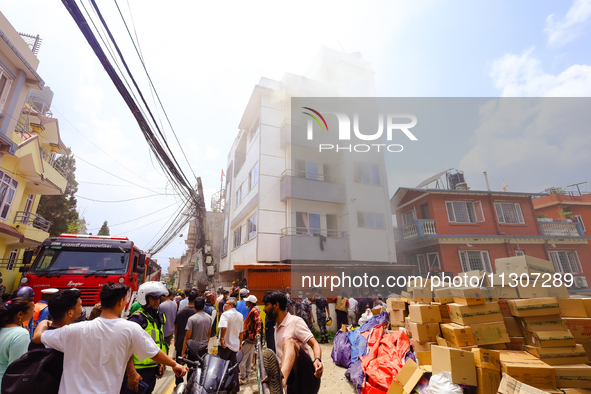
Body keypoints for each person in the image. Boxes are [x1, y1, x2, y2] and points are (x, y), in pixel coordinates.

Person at [33, 282, 187, 394]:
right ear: (121, 302)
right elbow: (154, 353)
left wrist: (45, 322)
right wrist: (174, 365)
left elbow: (37, 337)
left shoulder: (73, 330)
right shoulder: (130, 329)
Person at [262, 290, 322, 394]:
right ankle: (280, 378)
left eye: (267, 305)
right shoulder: (276, 328)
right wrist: (274, 376)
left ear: (276, 305)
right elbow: (284, 358)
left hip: (308, 377)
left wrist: (317, 359)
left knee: (288, 341)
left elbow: (314, 343)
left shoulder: (295, 321)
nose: (264, 309)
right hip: (293, 382)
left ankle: (281, 379)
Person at [121, 281, 169, 394]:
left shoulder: (157, 317)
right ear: (144, 298)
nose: (157, 300)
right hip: (138, 371)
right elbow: (126, 348)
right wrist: (132, 373)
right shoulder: (137, 319)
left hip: (152, 369)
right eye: (153, 297)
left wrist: (160, 363)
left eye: (159, 297)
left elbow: (158, 342)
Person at [0, 297, 35, 389]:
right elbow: (16, 369)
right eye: (32, 309)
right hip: (4, 385)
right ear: (20, 314)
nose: (34, 312)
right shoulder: (20, 334)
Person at [218, 297, 243, 393]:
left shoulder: (225, 314)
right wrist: (240, 343)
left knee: (222, 367)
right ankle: (234, 389)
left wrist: (222, 339)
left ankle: (221, 387)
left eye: (227, 303)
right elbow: (241, 332)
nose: (224, 305)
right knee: (234, 368)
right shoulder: (240, 315)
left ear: (231, 305)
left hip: (225, 345)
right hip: (235, 345)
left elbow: (224, 327)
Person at [173, 291, 197, 386]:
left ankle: (179, 385)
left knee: (179, 366)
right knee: (192, 367)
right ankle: (190, 386)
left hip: (180, 342)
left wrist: (175, 339)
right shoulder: (196, 313)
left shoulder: (180, 312)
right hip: (192, 345)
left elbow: (176, 327)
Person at [182, 297, 211, 365]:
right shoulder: (209, 318)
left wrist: (183, 353)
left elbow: (187, 337)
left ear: (194, 306)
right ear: (204, 306)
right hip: (204, 350)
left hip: (193, 351)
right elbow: (208, 334)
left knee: (192, 372)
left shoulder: (192, 319)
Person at [239, 295, 261, 384]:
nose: (246, 303)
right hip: (251, 338)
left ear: (251, 303)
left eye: (247, 302)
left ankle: (243, 377)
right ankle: (247, 375)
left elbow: (258, 321)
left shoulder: (253, 311)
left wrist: (258, 332)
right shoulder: (252, 310)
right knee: (248, 357)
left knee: (241, 358)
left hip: (249, 338)